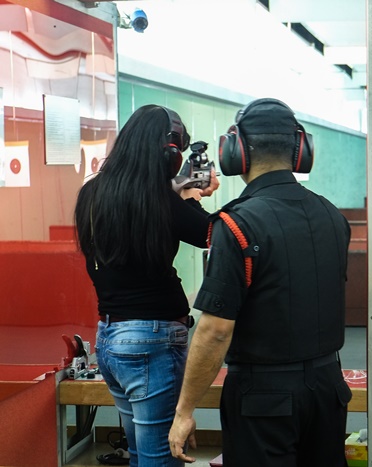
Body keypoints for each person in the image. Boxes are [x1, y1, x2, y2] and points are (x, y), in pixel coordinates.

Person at [168, 98, 352, 466]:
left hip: (263, 398)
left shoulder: (236, 225)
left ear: (234, 150)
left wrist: (184, 411)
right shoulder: (332, 216)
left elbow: (216, 330)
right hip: (328, 389)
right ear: (301, 149)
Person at [74, 104, 219, 467]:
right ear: (167, 152)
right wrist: (190, 197)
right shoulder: (163, 201)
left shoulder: (92, 193)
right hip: (153, 340)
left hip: (109, 339)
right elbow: (212, 234)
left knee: (140, 453)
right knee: (160, 458)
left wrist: (179, 194)